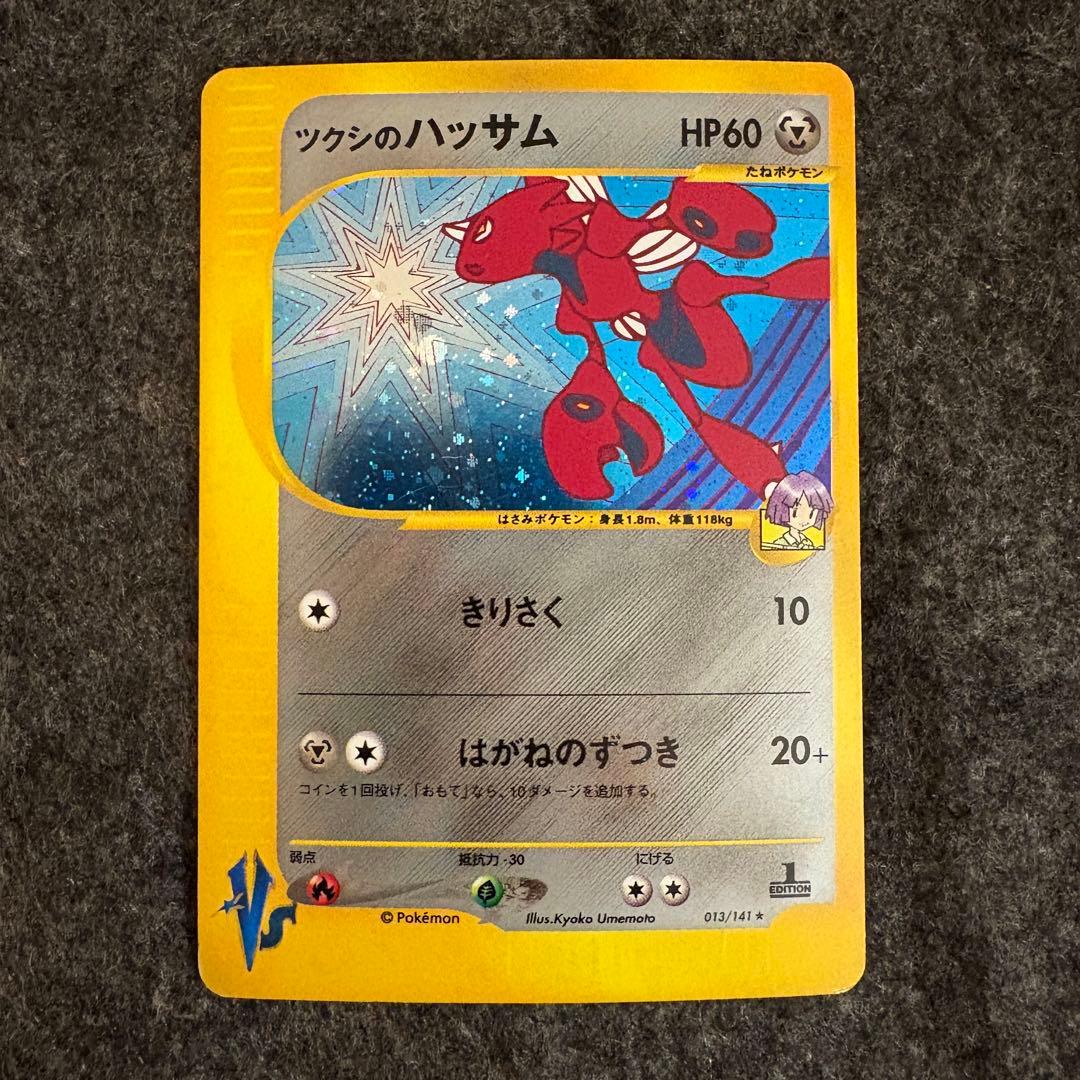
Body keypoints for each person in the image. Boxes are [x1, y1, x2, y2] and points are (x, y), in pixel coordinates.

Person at [763, 471, 834, 550]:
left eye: (811, 514)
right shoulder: (780, 543)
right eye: (796, 513)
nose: (804, 519)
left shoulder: (807, 541)